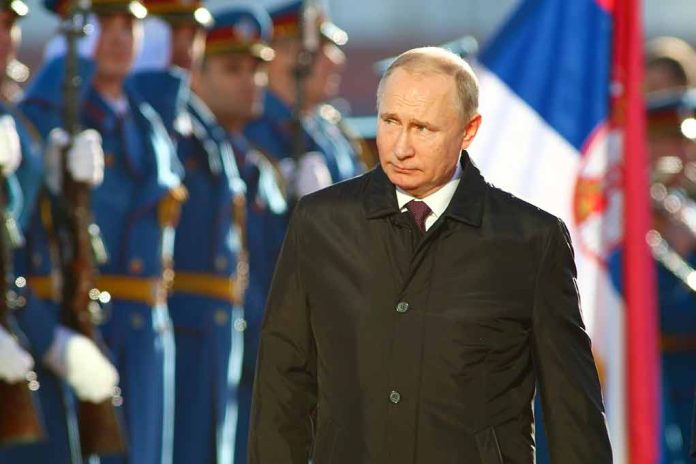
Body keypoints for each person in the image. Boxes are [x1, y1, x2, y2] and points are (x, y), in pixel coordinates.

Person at [249, 47, 612, 463]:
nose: (401, 147)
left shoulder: (531, 239)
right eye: (390, 122)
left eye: (423, 129)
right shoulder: (320, 223)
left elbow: (571, 407)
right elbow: (283, 385)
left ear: (468, 131)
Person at [21, 1, 184, 463]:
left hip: (146, 331)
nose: (117, 37)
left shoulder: (147, 122)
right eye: (104, 24)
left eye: (128, 24)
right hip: (91, 318)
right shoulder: (55, 112)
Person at [130, 1, 248, 462]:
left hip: (209, 331)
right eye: (171, 32)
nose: (184, 47)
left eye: (192, 34)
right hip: (177, 323)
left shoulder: (199, 122)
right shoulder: (150, 111)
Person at [0, 1, 117, 463]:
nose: (7, 37)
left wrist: (61, 187)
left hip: (24, 337)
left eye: (10, 24)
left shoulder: (18, 125)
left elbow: (26, 244)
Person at [188, 6, 289, 462]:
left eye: (256, 69)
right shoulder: (188, 155)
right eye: (232, 69)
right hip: (204, 357)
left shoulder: (251, 163)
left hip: (251, 360)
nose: (251, 81)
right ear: (196, 74)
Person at [244, 0, 363, 199]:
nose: (337, 60)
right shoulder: (252, 131)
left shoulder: (328, 127)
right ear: (282, 58)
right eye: (321, 48)